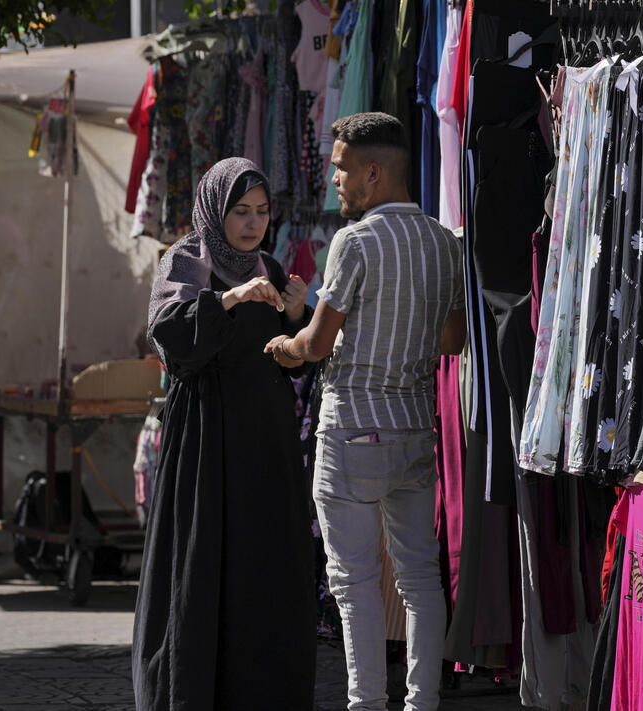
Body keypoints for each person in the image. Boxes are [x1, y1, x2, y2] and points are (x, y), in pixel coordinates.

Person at [265, 112, 466, 711]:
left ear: (373, 172)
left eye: (342, 167)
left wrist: (284, 346)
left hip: (353, 425)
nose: (334, 179)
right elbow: (452, 340)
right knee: (419, 576)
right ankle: (422, 702)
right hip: (414, 428)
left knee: (353, 582)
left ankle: (367, 705)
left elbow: (317, 344)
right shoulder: (444, 241)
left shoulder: (354, 242)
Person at [134, 157, 317, 710]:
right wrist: (230, 298)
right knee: (204, 557)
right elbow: (170, 341)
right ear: (216, 211)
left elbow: (293, 359)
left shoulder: (272, 268)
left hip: (265, 441)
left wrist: (296, 316)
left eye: (261, 211)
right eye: (240, 211)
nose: (253, 223)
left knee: (262, 562)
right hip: (206, 440)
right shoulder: (186, 261)